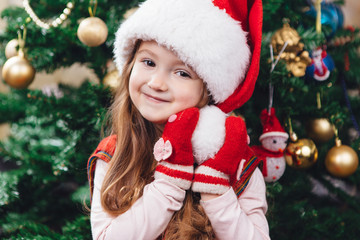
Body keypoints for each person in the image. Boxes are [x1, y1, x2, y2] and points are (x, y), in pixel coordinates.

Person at [87, 0, 269, 239]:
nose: (156, 83)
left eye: (182, 73)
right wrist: (169, 185)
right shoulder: (114, 154)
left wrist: (216, 189)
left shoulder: (238, 163)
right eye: (149, 62)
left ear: (209, 90)